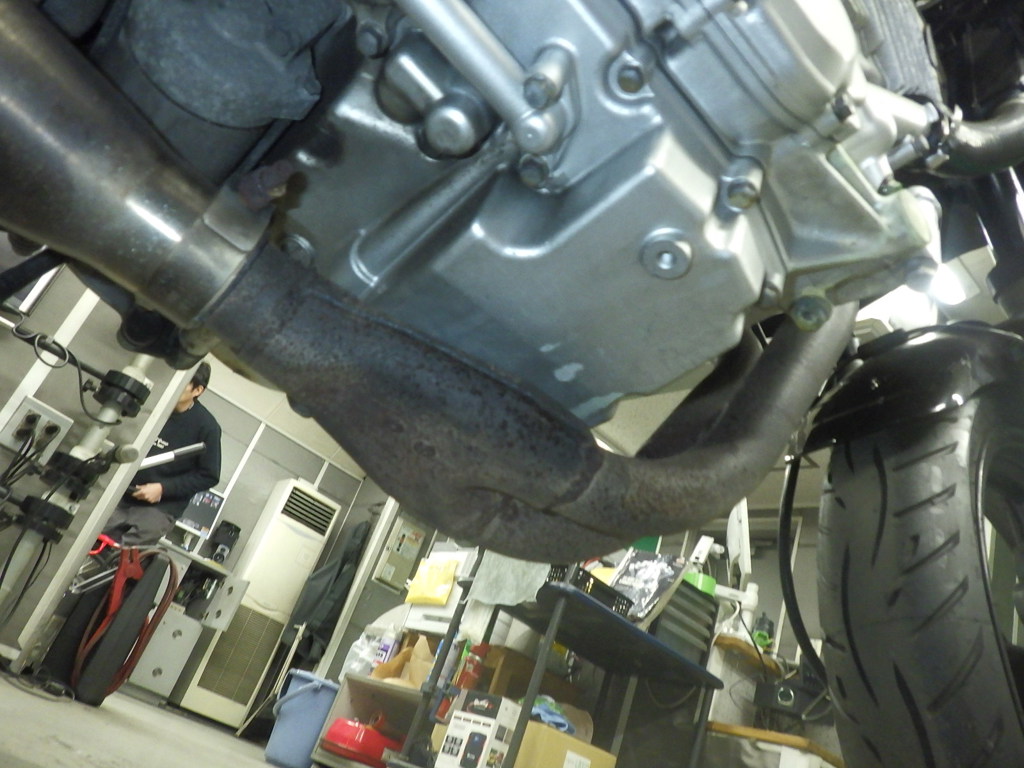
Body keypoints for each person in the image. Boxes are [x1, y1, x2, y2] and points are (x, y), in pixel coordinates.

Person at [102, 361, 222, 546]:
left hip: (159, 507)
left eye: (184, 383)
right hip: (120, 490)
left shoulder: (207, 427)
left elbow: (209, 476)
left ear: (198, 390)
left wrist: (163, 488)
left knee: (124, 552)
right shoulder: (151, 406)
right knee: (87, 534)